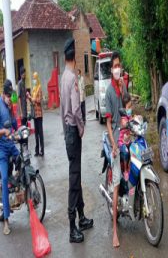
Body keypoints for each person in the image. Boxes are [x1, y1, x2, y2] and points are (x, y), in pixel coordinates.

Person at [60, 38, 93, 243]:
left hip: (67, 132)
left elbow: (63, 111)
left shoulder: (63, 77)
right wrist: (81, 129)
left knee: (77, 174)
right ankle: (73, 227)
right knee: (74, 180)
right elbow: (74, 110)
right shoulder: (72, 78)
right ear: (75, 57)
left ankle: (81, 218)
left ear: (65, 56)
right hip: (73, 131)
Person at [105, 51, 127, 248]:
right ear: (111, 69)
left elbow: (128, 105)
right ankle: (114, 230)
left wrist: (123, 87)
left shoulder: (121, 85)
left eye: (119, 65)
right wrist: (113, 144)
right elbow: (109, 124)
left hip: (127, 133)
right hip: (115, 137)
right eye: (115, 66)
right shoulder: (108, 92)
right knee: (117, 183)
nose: (117, 68)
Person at [0, 80, 20, 235]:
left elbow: (15, 125)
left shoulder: (10, 107)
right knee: (5, 180)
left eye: (10, 95)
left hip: (11, 145)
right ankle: (6, 221)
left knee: (22, 160)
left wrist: (19, 130)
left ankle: (20, 188)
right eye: (7, 95)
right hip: (1, 149)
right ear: (3, 93)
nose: (9, 98)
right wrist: (3, 132)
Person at [27, 72, 44, 157]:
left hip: (39, 114)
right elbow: (32, 102)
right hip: (35, 114)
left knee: (40, 133)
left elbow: (40, 100)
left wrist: (33, 99)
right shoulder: (34, 88)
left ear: (37, 78)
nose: (33, 79)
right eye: (33, 78)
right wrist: (29, 98)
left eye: (34, 78)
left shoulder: (39, 88)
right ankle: (37, 151)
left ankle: (42, 151)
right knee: (36, 133)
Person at [118, 92, 132, 181]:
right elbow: (126, 124)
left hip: (128, 141)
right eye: (129, 107)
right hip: (122, 142)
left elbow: (133, 120)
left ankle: (130, 167)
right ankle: (126, 171)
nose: (130, 109)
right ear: (124, 108)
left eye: (131, 106)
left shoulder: (129, 116)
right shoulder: (123, 118)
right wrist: (128, 124)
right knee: (126, 152)